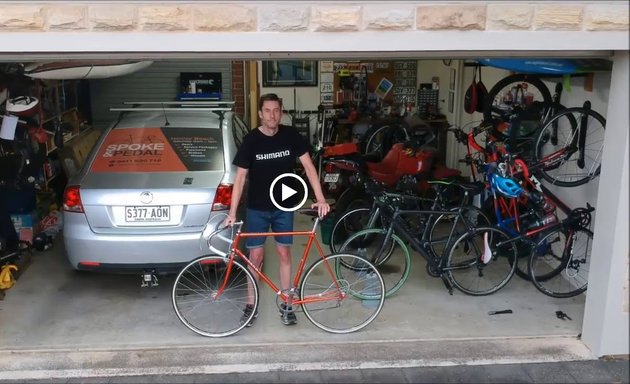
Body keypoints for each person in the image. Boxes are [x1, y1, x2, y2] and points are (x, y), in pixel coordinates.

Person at [223, 93, 330, 327]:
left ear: (281, 112)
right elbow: (240, 179)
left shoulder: (291, 136)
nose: (272, 115)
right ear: (260, 114)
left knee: (284, 254)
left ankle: (287, 303)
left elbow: (310, 168)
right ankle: (251, 306)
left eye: (276, 110)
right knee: (255, 257)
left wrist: (320, 198)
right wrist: (232, 213)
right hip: (257, 208)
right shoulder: (252, 140)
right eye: (268, 111)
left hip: (283, 206)